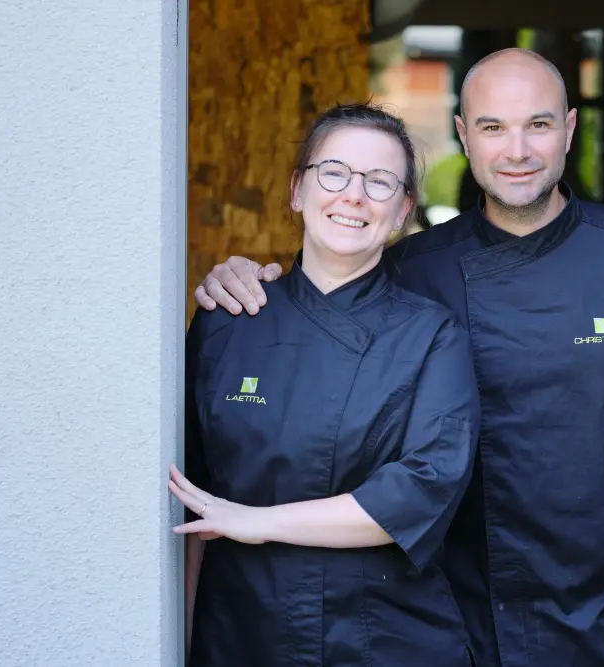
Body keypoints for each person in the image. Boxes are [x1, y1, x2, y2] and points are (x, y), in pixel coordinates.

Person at [193, 49, 604, 666]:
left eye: (538, 125)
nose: (517, 151)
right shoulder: (410, 269)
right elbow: (321, 298)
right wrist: (247, 284)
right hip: (466, 629)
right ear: (463, 135)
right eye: (492, 127)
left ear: (569, 129)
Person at [168, 103, 480, 667]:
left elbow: (422, 490)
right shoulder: (226, 322)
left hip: (382, 639)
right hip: (241, 632)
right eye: (333, 173)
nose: (353, 195)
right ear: (297, 190)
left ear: (403, 209)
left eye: (379, 181)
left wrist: (258, 521)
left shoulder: (433, 336)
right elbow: (187, 497)